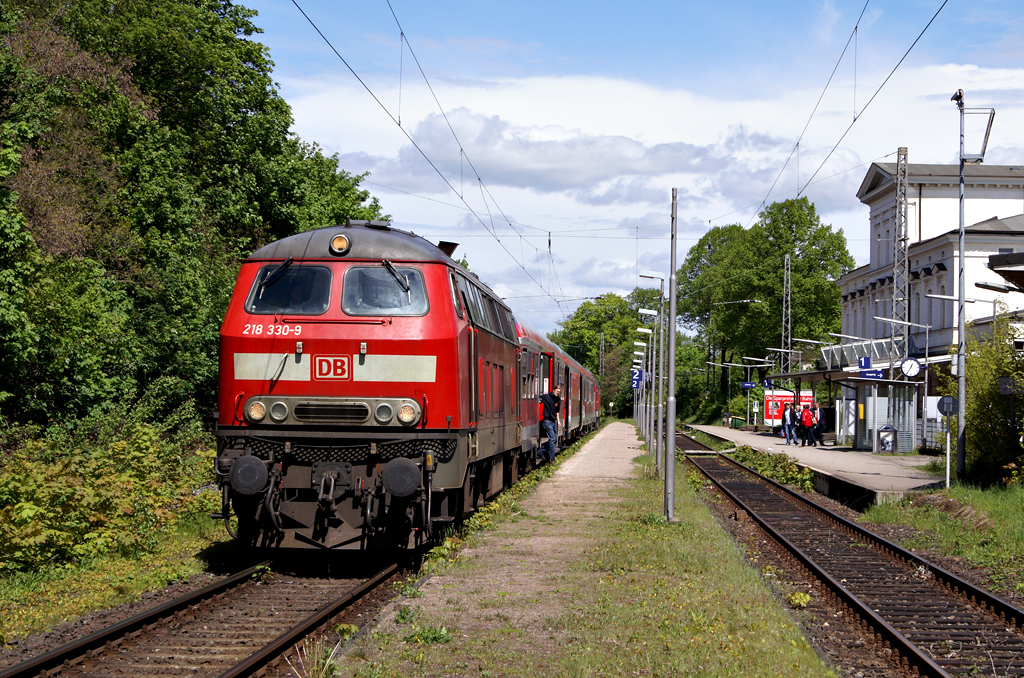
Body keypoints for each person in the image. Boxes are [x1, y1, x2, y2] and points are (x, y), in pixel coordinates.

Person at [539, 385, 562, 463]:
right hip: (547, 421)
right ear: (553, 390)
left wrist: (558, 421)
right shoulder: (546, 397)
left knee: (554, 439)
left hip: (553, 421)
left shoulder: (558, 400)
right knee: (552, 439)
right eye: (557, 391)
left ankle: (540, 451)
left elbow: (557, 411)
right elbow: (539, 398)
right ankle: (552, 459)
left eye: (559, 391)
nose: (558, 392)